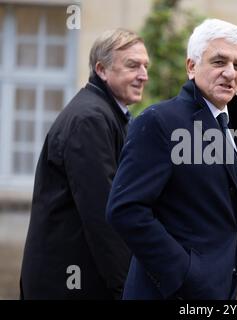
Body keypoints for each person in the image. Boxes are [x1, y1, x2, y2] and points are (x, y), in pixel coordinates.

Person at [106, 18, 237, 300]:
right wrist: (185, 274)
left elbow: (219, 211)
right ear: (191, 67)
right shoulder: (158, 121)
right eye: (219, 62)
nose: (230, 73)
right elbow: (125, 210)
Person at [20, 28, 150, 299]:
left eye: (145, 66)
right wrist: (126, 288)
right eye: (132, 66)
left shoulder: (106, 113)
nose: (143, 75)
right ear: (102, 70)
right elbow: (103, 214)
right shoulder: (90, 118)